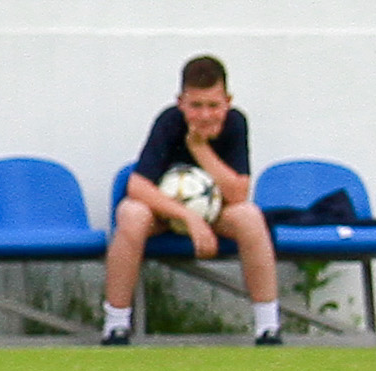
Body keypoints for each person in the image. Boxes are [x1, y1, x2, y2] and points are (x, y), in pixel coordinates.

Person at [102, 53, 283, 347]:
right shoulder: (169, 122)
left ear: (227, 101)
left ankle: (268, 326)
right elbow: (137, 186)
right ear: (181, 102)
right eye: (196, 106)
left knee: (249, 216)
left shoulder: (235, 124)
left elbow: (238, 193)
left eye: (213, 105)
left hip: (215, 213)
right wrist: (189, 218)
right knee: (131, 214)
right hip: (165, 215)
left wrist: (199, 148)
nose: (205, 115)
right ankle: (116, 325)